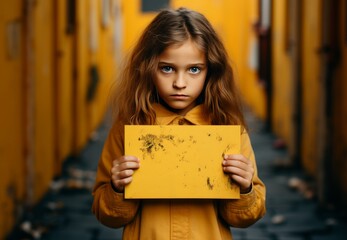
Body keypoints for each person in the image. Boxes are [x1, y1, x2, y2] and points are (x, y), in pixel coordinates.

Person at [92, 7, 266, 239]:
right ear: (147, 68)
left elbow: (243, 217)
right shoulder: (129, 127)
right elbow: (106, 214)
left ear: (211, 71)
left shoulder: (226, 127)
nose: (180, 83)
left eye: (194, 69)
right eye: (167, 68)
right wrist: (116, 188)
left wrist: (245, 189)